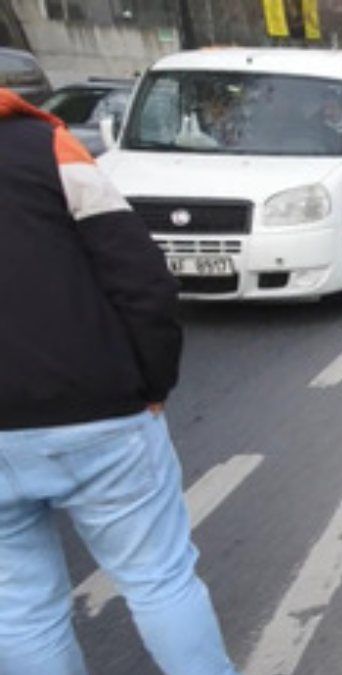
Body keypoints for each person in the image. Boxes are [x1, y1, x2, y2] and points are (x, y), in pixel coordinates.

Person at [0, 89, 238, 674]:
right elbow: (142, 278)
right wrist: (152, 384)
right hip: (96, 412)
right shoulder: (49, 149)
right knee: (160, 579)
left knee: (21, 614)